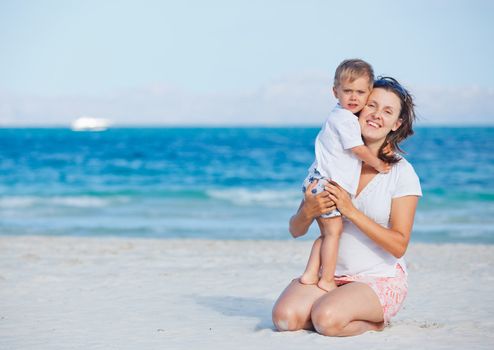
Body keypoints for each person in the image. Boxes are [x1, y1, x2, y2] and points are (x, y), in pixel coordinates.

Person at [272, 76, 421, 336]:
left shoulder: (401, 173)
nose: (376, 115)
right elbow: (295, 230)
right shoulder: (329, 161)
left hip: (378, 277)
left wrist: (351, 211)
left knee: (326, 320)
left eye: (387, 111)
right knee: (285, 319)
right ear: (359, 106)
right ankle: (334, 303)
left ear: (396, 124)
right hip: (331, 276)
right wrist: (307, 211)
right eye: (371, 105)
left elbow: (399, 245)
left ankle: (374, 321)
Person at [300, 59, 391, 292]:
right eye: (347, 91)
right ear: (335, 92)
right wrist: (379, 164)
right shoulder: (345, 120)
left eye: (360, 92)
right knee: (334, 234)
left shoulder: (339, 116)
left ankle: (311, 274)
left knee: (327, 233)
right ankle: (327, 279)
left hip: (318, 181)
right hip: (326, 184)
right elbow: (358, 149)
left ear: (369, 93)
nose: (353, 97)